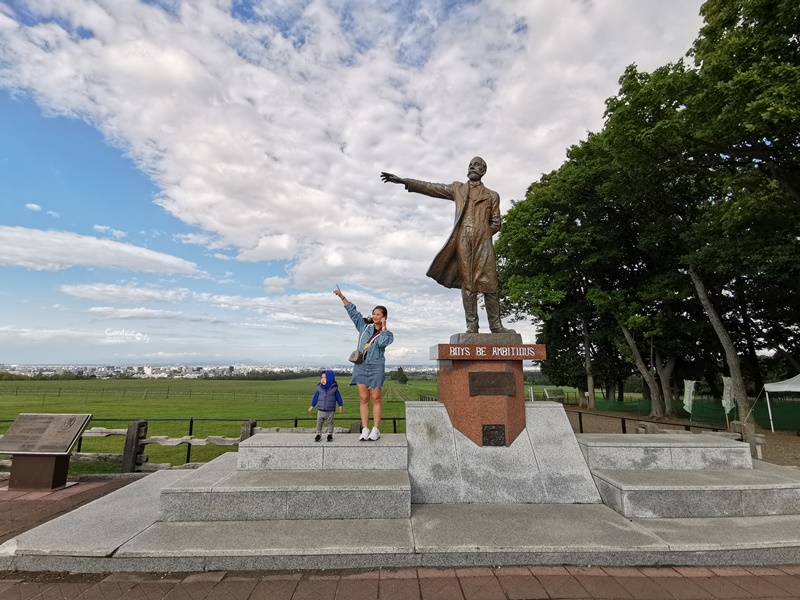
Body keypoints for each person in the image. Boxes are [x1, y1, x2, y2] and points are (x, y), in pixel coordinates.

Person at [381, 156, 515, 334]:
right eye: (470, 165)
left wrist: (482, 232)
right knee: (468, 285)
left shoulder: (492, 195)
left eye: (476, 165)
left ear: (483, 171)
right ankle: (472, 326)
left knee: (491, 284)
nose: (471, 167)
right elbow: (431, 187)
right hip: (463, 240)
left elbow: (496, 223)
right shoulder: (458, 188)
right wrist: (404, 181)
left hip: (483, 242)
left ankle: (496, 326)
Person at [333, 286, 393, 441]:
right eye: (373, 313)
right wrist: (342, 296)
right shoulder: (364, 327)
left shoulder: (387, 334)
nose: (374, 316)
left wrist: (384, 327)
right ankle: (365, 429)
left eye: (378, 314)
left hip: (376, 366)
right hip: (360, 365)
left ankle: (376, 429)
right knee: (363, 398)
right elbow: (353, 312)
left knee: (376, 398)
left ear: (384, 317)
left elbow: (383, 342)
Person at [308, 369, 343, 442]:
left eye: (325, 378)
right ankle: (318, 434)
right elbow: (315, 397)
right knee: (319, 422)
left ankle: (330, 434)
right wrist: (312, 406)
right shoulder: (319, 389)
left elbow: (338, 397)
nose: (323, 380)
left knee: (330, 423)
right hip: (320, 409)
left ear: (330, 379)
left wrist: (340, 405)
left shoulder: (334, 389)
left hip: (330, 410)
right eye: (322, 378)